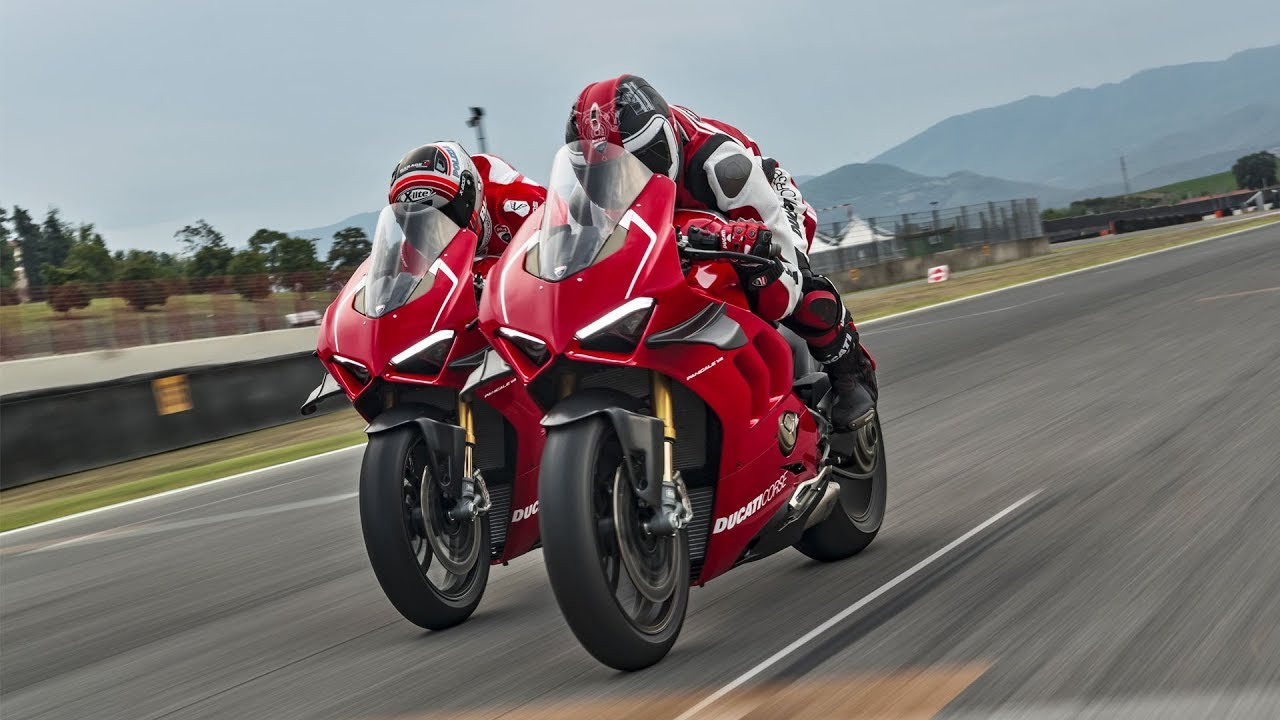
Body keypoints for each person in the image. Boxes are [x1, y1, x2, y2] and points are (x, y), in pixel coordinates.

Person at [564, 75, 876, 431]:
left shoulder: (723, 167)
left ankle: (851, 370)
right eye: (606, 174)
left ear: (660, 145)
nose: (623, 183)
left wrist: (749, 247)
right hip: (674, 222)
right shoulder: (588, 198)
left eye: (636, 164)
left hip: (755, 197)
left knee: (786, 288)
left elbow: (781, 260)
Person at [388, 141, 546, 276]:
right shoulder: (412, 252)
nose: (431, 234)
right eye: (417, 226)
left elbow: (563, 244)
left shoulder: (522, 204)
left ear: (469, 199)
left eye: (443, 218)